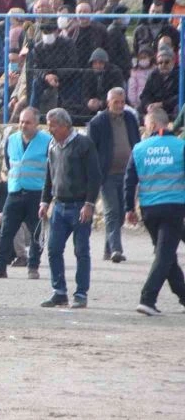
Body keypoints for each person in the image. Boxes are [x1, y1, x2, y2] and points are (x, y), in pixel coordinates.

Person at [124, 107, 185, 316]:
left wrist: (129, 209)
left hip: (149, 210)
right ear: (166, 124)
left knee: (166, 256)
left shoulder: (139, 148)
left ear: (150, 125)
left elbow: (129, 181)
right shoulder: (180, 146)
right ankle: (147, 298)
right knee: (164, 256)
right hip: (174, 208)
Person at [38, 108, 101, 309]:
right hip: (59, 206)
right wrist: (44, 201)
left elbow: (95, 176)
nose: (50, 129)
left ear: (65, 125)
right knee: (53, 249)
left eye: (53, 125)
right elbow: (50, 175)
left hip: (79, 205)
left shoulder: (84, 144)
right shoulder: (52, 145)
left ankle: (81, 293)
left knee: (81, 250)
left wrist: (89, 204)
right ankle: (59, 292)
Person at [0, 108, 51, 280]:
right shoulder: (12, 140)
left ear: (36, 123)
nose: (23, 125)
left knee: (36, 233)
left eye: (27, 122)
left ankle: (33, 267)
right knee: (6, 232)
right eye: (21, 121)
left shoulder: (47, 141)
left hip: (36, 193)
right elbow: (9, 162)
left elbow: (52, 168)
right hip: (14, 193)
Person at [86, 87, 140, 264]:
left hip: (127, 175)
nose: (119, 105)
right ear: (108, 102)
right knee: (112, 211)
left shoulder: (131, 119)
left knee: (123, 209)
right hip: (107, 174)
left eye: (122, 102)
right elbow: (91, 150)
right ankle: (117, 249)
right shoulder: (97, 122)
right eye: (116, 102)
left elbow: (136, 143)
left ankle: (108, 249)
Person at [81, 47, 124, 117]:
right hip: (92, 105)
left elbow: (117, 93)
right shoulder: (88, 73)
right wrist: (89, 102)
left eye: (101, 63)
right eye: (95, 63)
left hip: (109, 104)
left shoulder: (115, 72)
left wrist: (102, 102)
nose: (97, 65)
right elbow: (84, 92)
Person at [139, 46, 179, 118]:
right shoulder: (153, 75)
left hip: (170, 109)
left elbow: (179, 97)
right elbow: (145, 94)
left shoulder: (180, 74)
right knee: (138, 109)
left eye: (166, 62)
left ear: (173, 61)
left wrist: (162, 104)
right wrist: (148, 105)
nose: (163, 65)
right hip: (154, 108)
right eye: (160, 62)